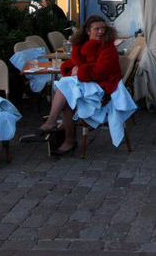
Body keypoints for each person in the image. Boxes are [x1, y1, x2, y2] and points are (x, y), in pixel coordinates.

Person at [38, 15, 122, 156]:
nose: (100, 32)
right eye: (97, 29)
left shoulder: (108, 47)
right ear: (88, 31)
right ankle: (66, 137)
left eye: (102, 28)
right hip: (89, 84)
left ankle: (54, 125)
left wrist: (80, 71)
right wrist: (74, 70)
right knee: (67, 97)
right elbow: (72, 64)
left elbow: (101, 72)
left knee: (65, 86)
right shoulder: (81, 46)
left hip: (104, 87)